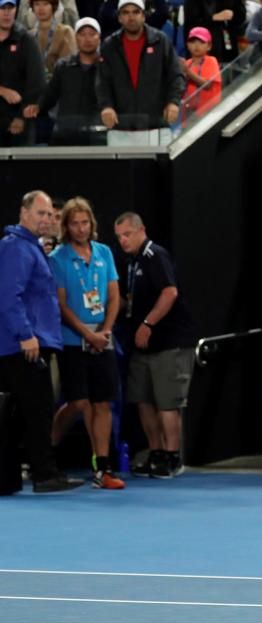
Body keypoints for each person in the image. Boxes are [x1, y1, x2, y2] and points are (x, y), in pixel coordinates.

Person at [0, 191, 84, 493]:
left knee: (27, 413)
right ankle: (44, 474)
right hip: (23, 345)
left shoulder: (29, 248)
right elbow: (9, 295)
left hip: (31, 342)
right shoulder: (16, 249)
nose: (47, 220)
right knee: (38, 411)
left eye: (51, 215)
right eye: (41, 213)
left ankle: (12, 478)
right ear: (24, 213)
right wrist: (25, 335)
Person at [48, 197, 124, 490]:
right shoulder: (58, 258)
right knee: (78, 402)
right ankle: (48, 449)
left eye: (85, 223)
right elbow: (62, 305)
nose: (80, 228)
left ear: (92, 224)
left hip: (102, 338)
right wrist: (86, 334)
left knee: (102, 402)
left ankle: (102, 469)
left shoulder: (104, 252)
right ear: (66, 226)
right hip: (72, 341)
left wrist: (104, 331)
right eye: (74, 223)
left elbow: (114, 296)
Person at [114, 212, 197, 479]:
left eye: (127, 234)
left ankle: (173, 457)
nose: (123, 241)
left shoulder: (154, 255)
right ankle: (156, 452)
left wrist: (148, 324)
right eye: (119, 237)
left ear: (141, 231)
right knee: (142, 400)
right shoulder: (131, 262)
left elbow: (169, 291)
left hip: (168, 342)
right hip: (142, 346)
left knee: (167, 402)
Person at [96, 0, 184, 132]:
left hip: (156, 124)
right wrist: (106, 106)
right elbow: (102, 82)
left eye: (136, 12)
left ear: (143, 16)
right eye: (125, 13)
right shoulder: (109, 46)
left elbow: (176, 75)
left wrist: (173, 102)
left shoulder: (160, 41)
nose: (131, 17)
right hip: (120, 125)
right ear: (119, 18)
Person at [39, 17, 101, 144]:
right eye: (82, 34)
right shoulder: (63, 66)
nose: (87, 39)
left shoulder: (107, 67)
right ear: (76, 38)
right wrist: (35, 107)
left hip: (98, 135)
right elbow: (49, 97)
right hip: (65, 134)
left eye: (92, 34)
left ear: (99, 37)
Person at [0, 0, 45, 147]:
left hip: (19, 123)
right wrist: (2, 91)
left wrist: (21, 118)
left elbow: (36, 83)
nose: (7, 13)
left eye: (10, 8)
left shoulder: (26, 40)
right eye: (2, 8)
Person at [182, 0, 246, 64]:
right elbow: (192, 21)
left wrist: (233, 14)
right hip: (203, 44)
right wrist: (213, 17)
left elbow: (241, 15)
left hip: (227, 41)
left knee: (229, 67)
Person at [179, 26, 221, 122]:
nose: (196, 46)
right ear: (187, 44)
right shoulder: (187, 63)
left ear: (209, 46)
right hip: (188, 114)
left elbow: (208, 85)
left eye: (201, 42)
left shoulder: (211, 61)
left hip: (209, 114)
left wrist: (187, 72)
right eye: (192, 42)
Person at [28, 0, 77, 78]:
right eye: (37, 4)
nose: (41, 8)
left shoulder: (65, 32)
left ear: (53, 6)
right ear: (32, 7)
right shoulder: (28, 35)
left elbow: (69, 67)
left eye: (45, 4)